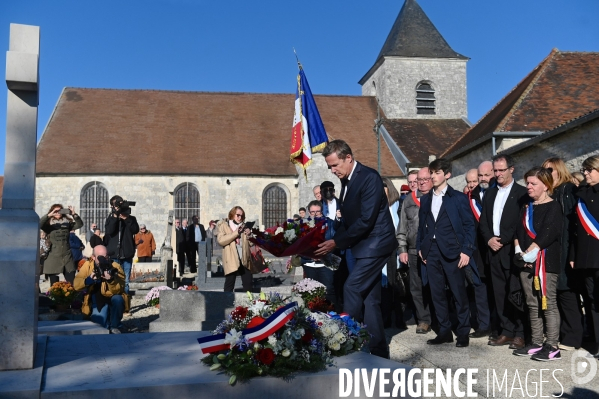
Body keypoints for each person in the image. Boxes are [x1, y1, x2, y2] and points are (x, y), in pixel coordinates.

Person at [315, 139, 397, 359]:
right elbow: (348, 220)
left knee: (352, 288)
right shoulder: (348, 180)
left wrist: (336, 242)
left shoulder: (369, 178)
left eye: (335, 165)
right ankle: (379, 352)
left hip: (376, 244)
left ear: (348, 158)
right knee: (370, 300)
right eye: (330, 167)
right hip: (362, 246)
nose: (333, 171)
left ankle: (344, 343)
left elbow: (365, 221)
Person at [417, 158, 475, 348]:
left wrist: (466, 251)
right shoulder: (425, 199)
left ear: (447, 175)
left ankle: (463, 332)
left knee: (459, 293)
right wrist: (421, 247)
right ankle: (444, 331)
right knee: (437, 294)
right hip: (431, 252)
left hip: (453, 252)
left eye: (437, 173)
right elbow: (422, 227)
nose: (433, 176)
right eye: (431, 173)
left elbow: (469, 225)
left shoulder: (457, 198)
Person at [513, 167, 562, 361]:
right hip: (526, 262)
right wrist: (519, 252)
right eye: (527, 183)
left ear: (545, 185)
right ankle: (536, 342)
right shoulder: (526, 207)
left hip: (545, 262)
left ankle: (552, 345)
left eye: (533, 183)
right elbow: (518, 231)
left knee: (547, 303)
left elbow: (548, 234)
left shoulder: (554, 206)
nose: (529, 187)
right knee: (532, 304)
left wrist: (530, 252)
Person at [480, 154, 528, 350]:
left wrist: (504, 239)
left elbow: (521, 222)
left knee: (515, 292)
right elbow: (483, 221)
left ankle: (520, 333)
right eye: (496, 170)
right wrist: (489, 238)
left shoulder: (522, 193)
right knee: (499, 293)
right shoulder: (490, 194)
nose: (498, 174)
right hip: (493, 250)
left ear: (511, 169)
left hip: (512, 250)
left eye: (501, 170)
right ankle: (506, 331)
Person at [542, 157, 583, 351]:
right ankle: (561, 333)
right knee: (556, 293)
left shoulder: (567, 190)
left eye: (550, 170)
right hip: (552, 249)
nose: (547, 174)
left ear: (559, 170)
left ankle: (573, 336)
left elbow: (569, 223)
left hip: (565, 248)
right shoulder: (552, 192)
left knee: (567, 292)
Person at [569, 155, 599, 358]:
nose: (586, 173)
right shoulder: (581, 194)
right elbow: (574, 230)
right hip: (586, 257)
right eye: (585, 170)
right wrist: (573, 255)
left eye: (589, 170)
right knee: (592, 301)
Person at [398, 167, 434, 334]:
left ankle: (440, 318)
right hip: (413, 250)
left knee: (436, 285)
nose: (418, 183)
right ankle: (423, 320)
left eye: (420, 179)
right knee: (416, 287)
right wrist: (402, 249)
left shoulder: (436, 197)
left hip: (434, 249)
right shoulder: (408, 201)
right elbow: (402, 227)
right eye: (414, 181)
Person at [467, 161, 495, 339]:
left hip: (496, 248)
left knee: (498, 289)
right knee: (480, 288)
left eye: (485, 175)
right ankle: (484, 324)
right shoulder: (470, 198)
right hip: (477, 250)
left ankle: (500, 325)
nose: (478, 181)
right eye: (478, 177)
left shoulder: (496, 193)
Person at [74, 245, 128, 334]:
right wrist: (89, 280)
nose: (104, 260)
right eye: (101, 257)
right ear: (93, 257)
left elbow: (120, 289)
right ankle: (109, 323)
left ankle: (115, 325)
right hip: (97, 300)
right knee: (100, 327)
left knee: (118, 299)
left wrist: (111, 280)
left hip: (112, 297)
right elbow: (76, 285)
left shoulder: (115, 266)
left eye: (106, 257)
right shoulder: (88, 266)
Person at [300, 201, 337, 306]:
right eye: (312, 212)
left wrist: (323, 253)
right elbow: (298, 245)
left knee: (328, 290)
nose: (315, 214)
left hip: (326, 263)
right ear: (308, 212)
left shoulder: (330, 223)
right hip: (309, 263)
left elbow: (335, 241)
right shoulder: (303, 225)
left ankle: (331, 316)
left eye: (318, 212)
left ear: (322, 211)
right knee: (311, 292)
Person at [381, 177, 406, 330]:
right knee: (385, 286)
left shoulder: (398, 206)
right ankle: (386, 318)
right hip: (384, 252)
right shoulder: (376, 207)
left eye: (384, 190)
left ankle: (400, 318)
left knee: (398, 286)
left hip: (397, 251)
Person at [40, 204, 84, 285]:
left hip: (67, 257)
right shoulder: (48, 224)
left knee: (71, 283)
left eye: (60, 210)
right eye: (55, 211)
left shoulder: (67, 223)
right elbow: (39, 224)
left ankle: (70, 297)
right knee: (54, 285)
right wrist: (49, 215)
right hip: (53, 256)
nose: (57, 213)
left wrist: (74, 214)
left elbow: (79, 224)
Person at [105, 195, 139, 295]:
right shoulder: (110, 219)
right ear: (112, 206)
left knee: (126, 282)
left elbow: (135, 230)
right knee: (114, 280)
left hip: (127, 254)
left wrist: (127, 219)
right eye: (116, 204)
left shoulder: (131, 218)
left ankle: (125, 306)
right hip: (114, 255)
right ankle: (116, 304)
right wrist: (115, 217)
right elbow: (109, 231)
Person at [217, 206, 253, 292]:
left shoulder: (244, 226)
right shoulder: (224, 225)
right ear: (232, 215)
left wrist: (249, 235)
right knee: (229, 283)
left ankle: (249, 304)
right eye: (238, 215)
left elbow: (251, 244)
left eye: (242, 216)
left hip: (244, 258)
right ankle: (226, 303)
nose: (240, 218)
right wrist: (236, 233)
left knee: (248, 283)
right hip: (231, 258)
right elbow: (221, 240)